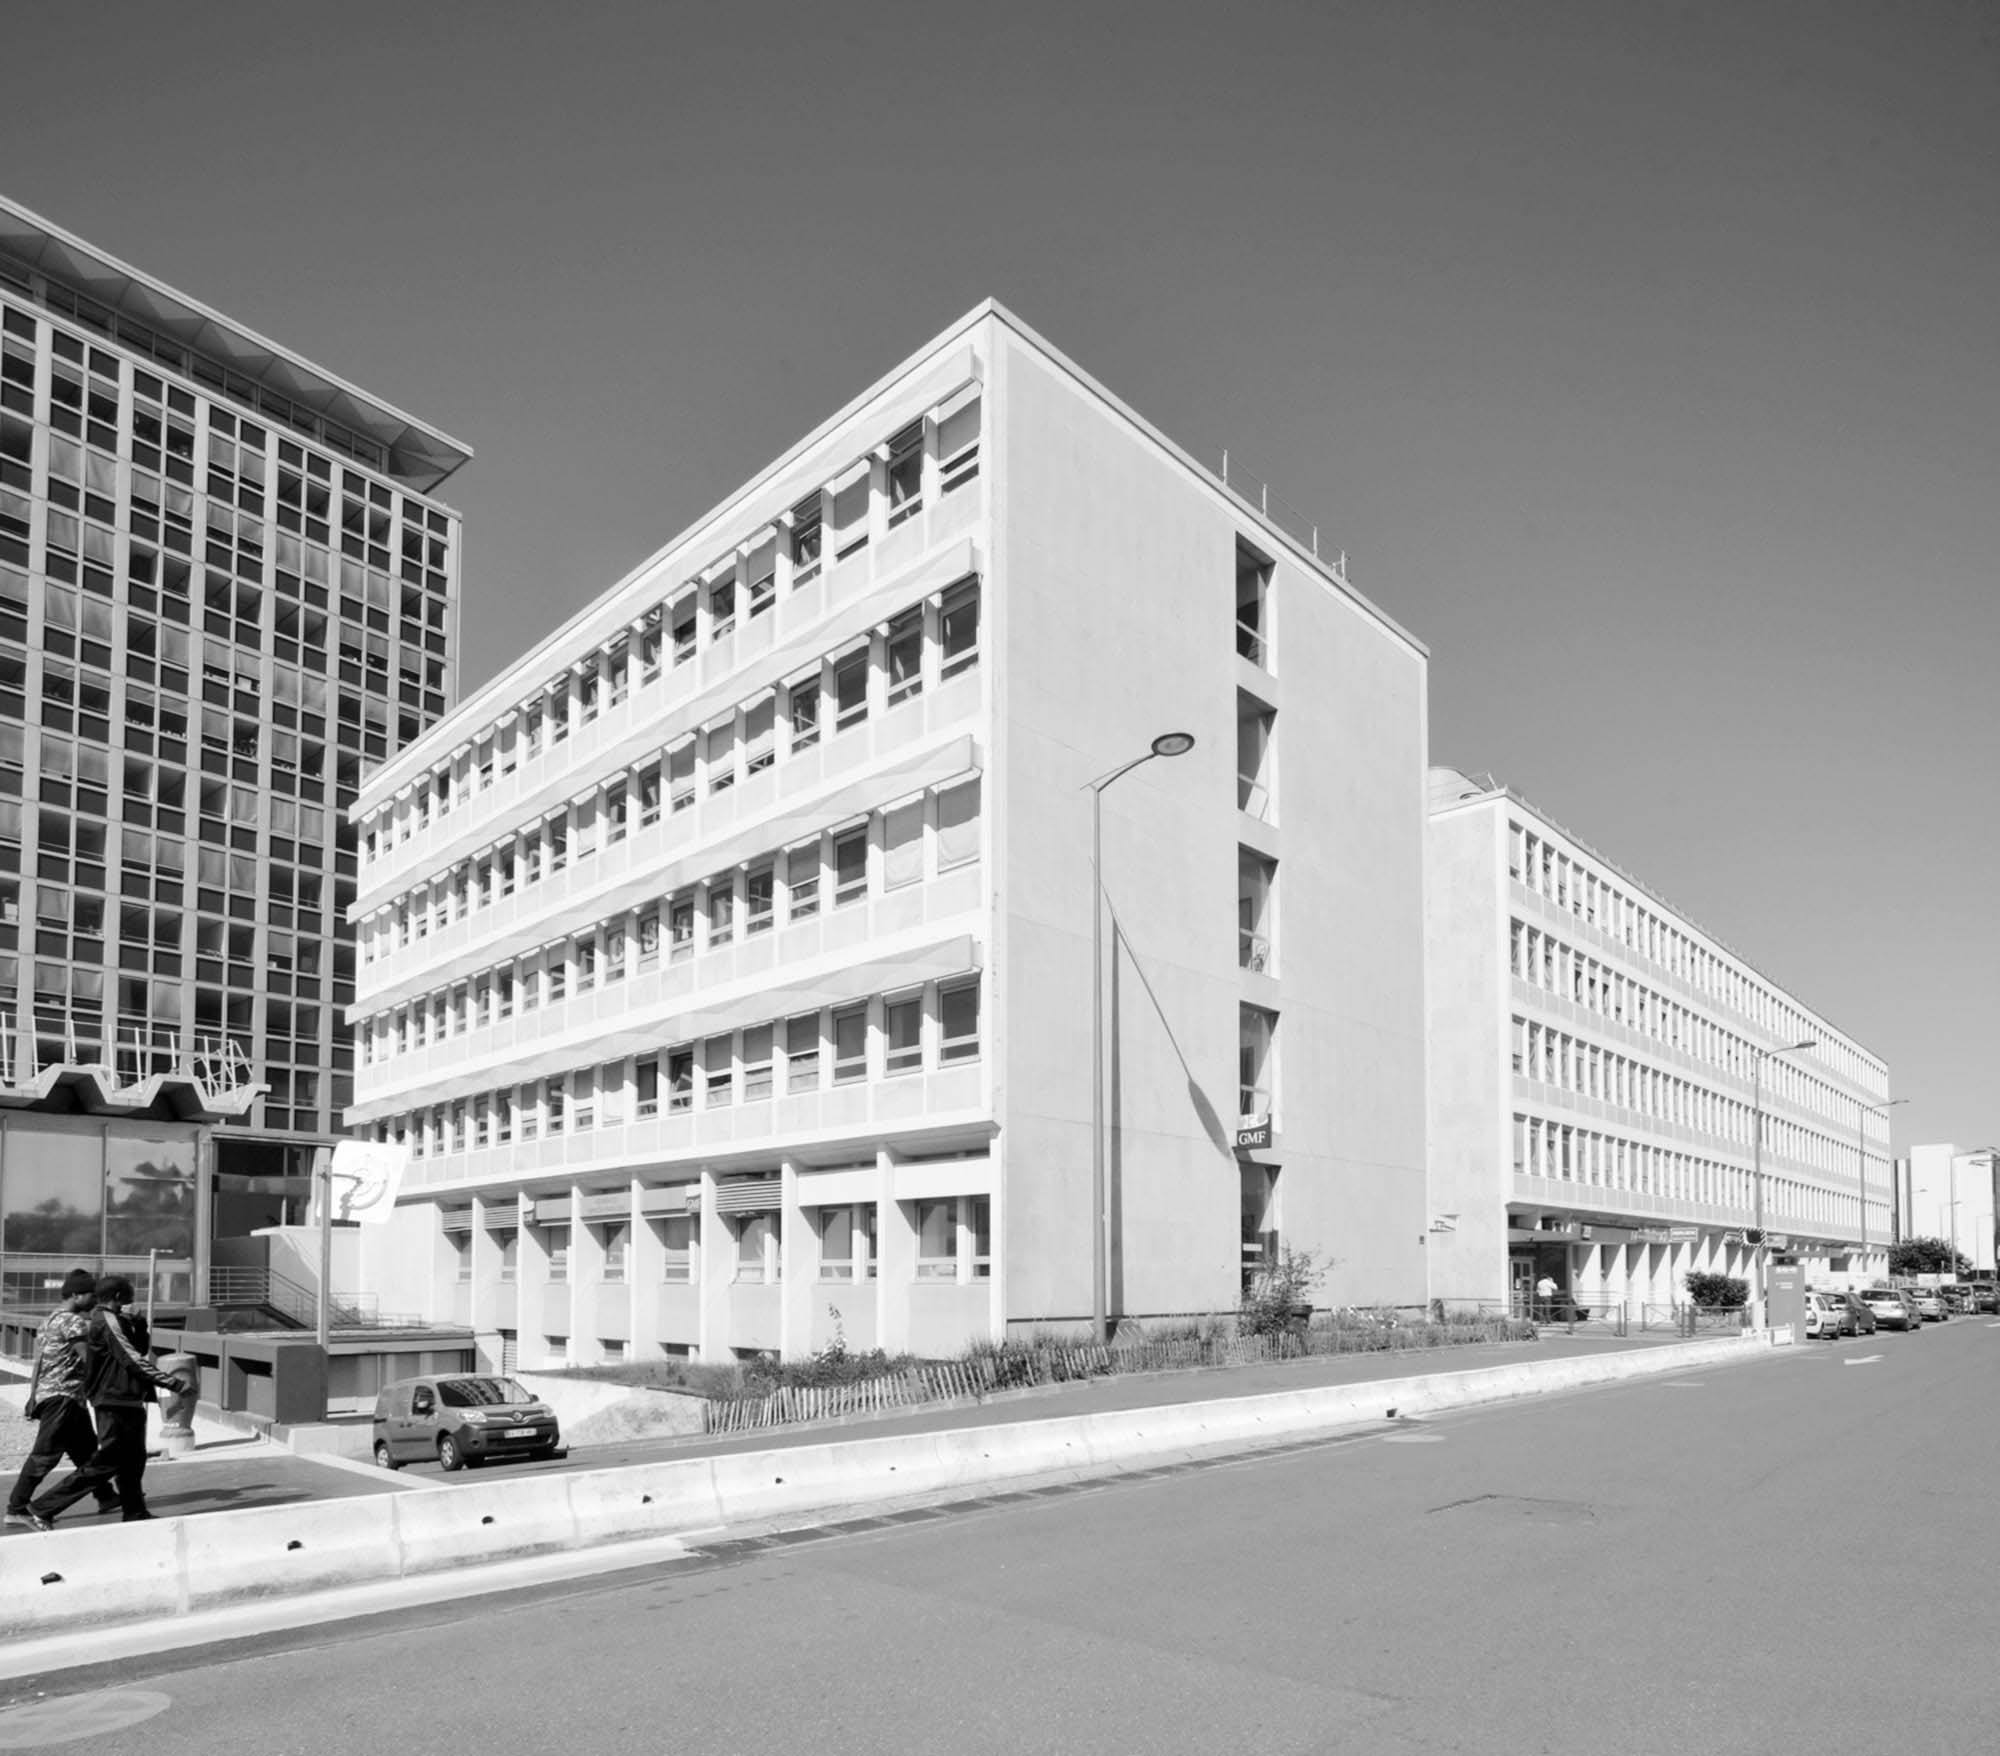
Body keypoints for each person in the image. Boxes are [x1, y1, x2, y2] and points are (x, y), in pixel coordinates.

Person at [26, 1275, 190, 1530]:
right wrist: (175, 1384)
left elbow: (138, 1349)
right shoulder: (105, 1320)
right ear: (117, 1297)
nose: (130, 1302)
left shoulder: (117, 1320)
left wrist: (140, 1325)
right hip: (113, 1401)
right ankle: (43, 1507)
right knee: (108, 1460)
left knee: (134, 1460)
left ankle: (135, 1512)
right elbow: (132, 1359)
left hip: (128, 1400)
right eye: (128, 1298)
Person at [5, 1270, 122, 1528]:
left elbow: (39, 1363)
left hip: (59, 1397)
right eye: (90, 1294)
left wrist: (33, 1396)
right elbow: (88, 1360)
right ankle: (16, 1508)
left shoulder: (48, 1322)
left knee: (87, 1453)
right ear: (75, 1295)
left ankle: (106, 1496)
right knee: (44, 1456)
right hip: (63, 1398)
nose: (93, 1298)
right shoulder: (73, 1322)